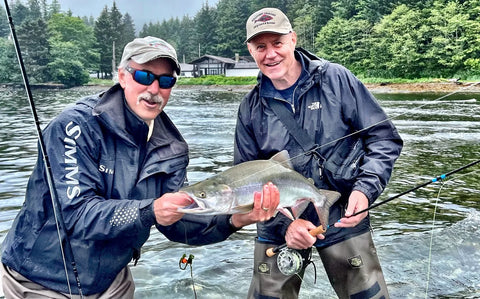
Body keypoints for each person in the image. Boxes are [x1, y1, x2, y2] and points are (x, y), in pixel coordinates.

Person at [1, 36, 280, 298]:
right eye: (144, 76)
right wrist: (150, 210)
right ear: (122, 76)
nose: (154, 90)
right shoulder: (74, 127)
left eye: (166, 81)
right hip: (36, 280)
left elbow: (177, 224)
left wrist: (235, 220)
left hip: (111, 280)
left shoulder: (172, 148)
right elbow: (76, 215)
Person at [235, 8, 403, 299]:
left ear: (293, 39)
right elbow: (245, 185)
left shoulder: (336, 79)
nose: (270, 54)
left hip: (344, 211)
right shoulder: (250, 109)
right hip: (278, 225)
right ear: (251, 51)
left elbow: (384, 139)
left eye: (277, 43)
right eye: (260, 46)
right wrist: (287, 224)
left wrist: (365, 191)